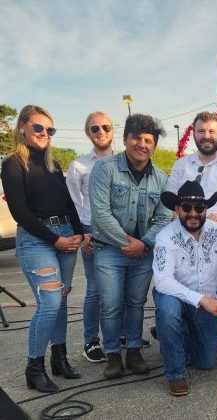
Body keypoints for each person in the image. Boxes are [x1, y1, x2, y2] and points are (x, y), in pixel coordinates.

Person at [1, 105, 83, 393]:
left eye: (50, 130)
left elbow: (68, 202)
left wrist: (79, 232)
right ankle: (34, 368)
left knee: (61, 299)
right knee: (49, 302)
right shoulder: (13, 164)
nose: (44, 134)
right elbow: (20, 212)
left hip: (67, 236)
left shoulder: (53, 164)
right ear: (22, 127)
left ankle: (59, 358)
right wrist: (54, 239)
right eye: (38, 127)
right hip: (38, 238)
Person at [89, 113, 172, 379]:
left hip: (144, 252)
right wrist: (129, 243)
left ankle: (134, 351)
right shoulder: (105, 169)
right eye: (136, 137)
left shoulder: (161, 178)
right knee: (111, 304)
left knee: (136, 303)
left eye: (148, 140)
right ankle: (113, 356)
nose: (142, 144)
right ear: (125, 139)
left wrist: (145, 243)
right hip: (109, 250)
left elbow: (163, 217)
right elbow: (100, 214)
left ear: (154, 146)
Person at [168, 111, 217, 356]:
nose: (206, 136)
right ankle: (185, 330)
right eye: (201, 131)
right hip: (186, 241)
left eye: (212, 131)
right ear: (194, 134)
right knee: (188, 287)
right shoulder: (182, 165)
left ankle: (216, 335)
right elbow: (173, 204)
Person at [152, 181, 217, 396]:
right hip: (176, 298)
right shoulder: (165, 237)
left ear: (206, 210)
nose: (193, 213)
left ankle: (169, 334)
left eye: (199, 208)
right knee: (168, 311)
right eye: (187, 208)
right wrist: (200, 300)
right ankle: (175, 374)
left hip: (210, 302)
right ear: (177, 209)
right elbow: (162, 281)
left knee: (206, 362)